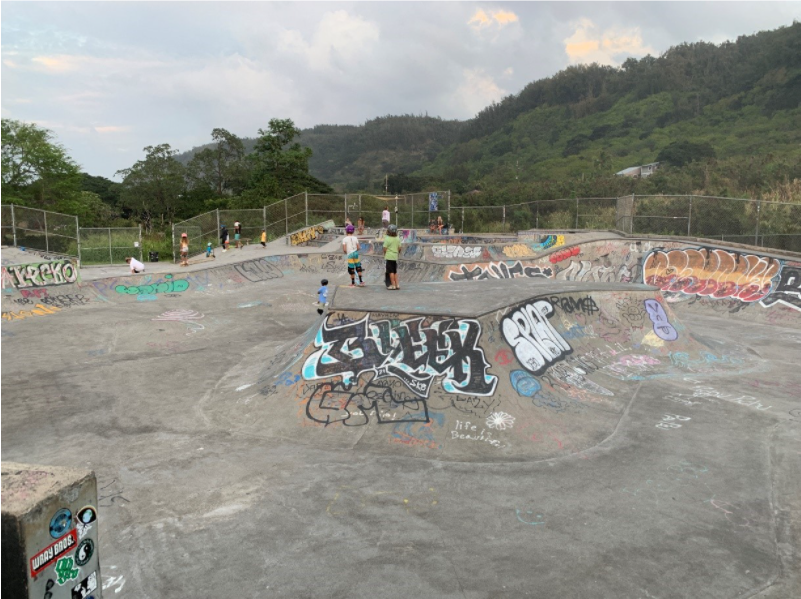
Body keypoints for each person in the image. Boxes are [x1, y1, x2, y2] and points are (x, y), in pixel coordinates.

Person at [383, 224, 401, 290]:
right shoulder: (397, 238)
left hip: (389, 256)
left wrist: (385, 254)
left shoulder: (387, 238)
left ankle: (393, 285)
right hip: (395, 256)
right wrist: (398, 253)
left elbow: (384, 248)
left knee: (391, 272)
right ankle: (397, 284)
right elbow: (399, 248)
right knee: (395, 271)